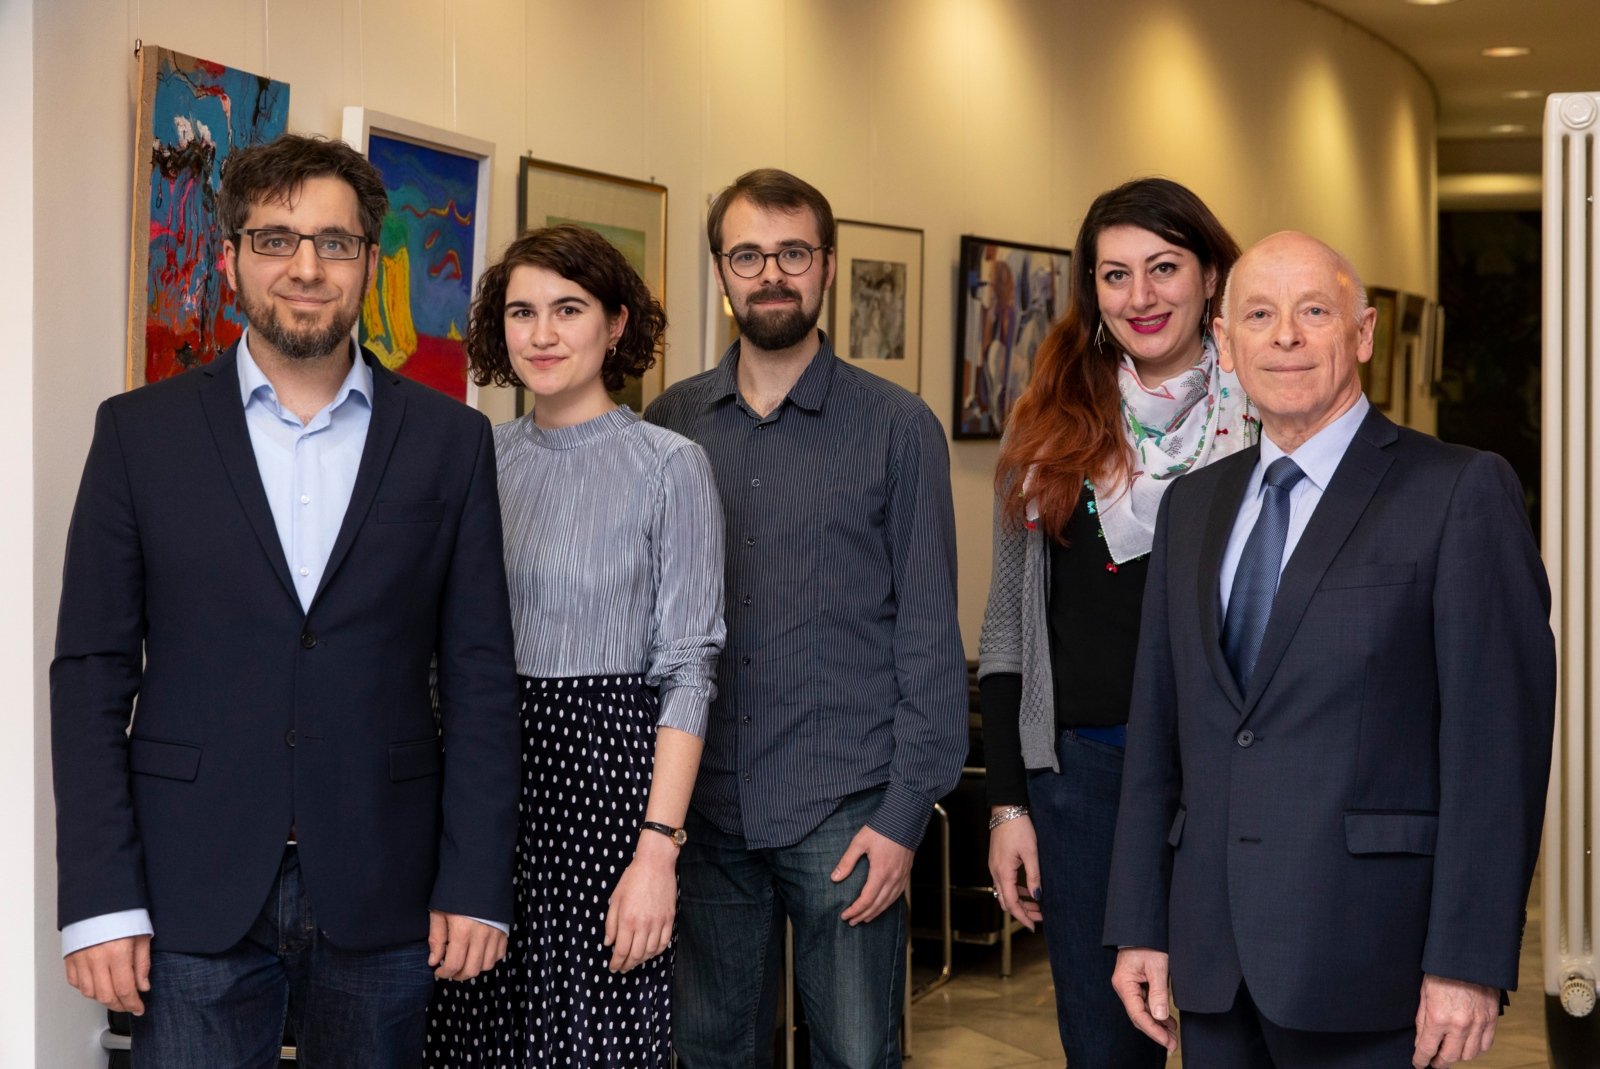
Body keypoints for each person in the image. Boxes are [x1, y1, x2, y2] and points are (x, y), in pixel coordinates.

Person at [51, 133, 520, 1067]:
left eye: (334, 243)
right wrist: (99, 900)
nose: (305, 267)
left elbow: (478, 676)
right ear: (231, 260)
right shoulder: (138, 435)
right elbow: (91, 674)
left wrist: (475, 881)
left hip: (385, 884)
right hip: (191, 886)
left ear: (366, 262)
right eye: (275, 240)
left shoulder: (450, 443)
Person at [1104, 231, 1556, 1068]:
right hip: (1213, 961)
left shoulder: (1459, 489)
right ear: (1227, 345)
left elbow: (1498, 750)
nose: (1286, 336)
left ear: (1364, 333)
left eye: (1314, 311)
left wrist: (1468, 960)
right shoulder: (1192, 508)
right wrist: (1140, 924)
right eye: (1260, 315)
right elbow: (1159, 733)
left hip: (1373, 963)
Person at [646, 168, 967, 1069]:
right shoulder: (673, 426)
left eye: (793, 252)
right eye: (748, 254)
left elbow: (930, 636)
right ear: (720, 270)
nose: (771, 274)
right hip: (707, 811)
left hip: (849, 807)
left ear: (827, 266)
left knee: (859, 1054)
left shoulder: (898, 428)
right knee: (711, 1051)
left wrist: (906, 813)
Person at [424, 224, 725, 1067]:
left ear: (616, 324)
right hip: (481, 780)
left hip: (608, 793)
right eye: (522, 312)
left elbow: (690, 668)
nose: (544, 333)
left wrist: (657, 851)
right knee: (470, 1039)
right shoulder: (475, 458)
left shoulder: (671, 467)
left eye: (569, 308)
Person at [978, 176, 1255, 1069]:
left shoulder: (1271, 416)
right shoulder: (1047, 423)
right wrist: (1009, 802)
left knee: (1237, 1035)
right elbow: (1010, 629)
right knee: (1105, 1049)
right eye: (1115, 274)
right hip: (1086, 780)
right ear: (1090, 288)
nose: (1141, 297)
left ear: (1212, 274)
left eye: (1164, 267)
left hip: (1237, 780)